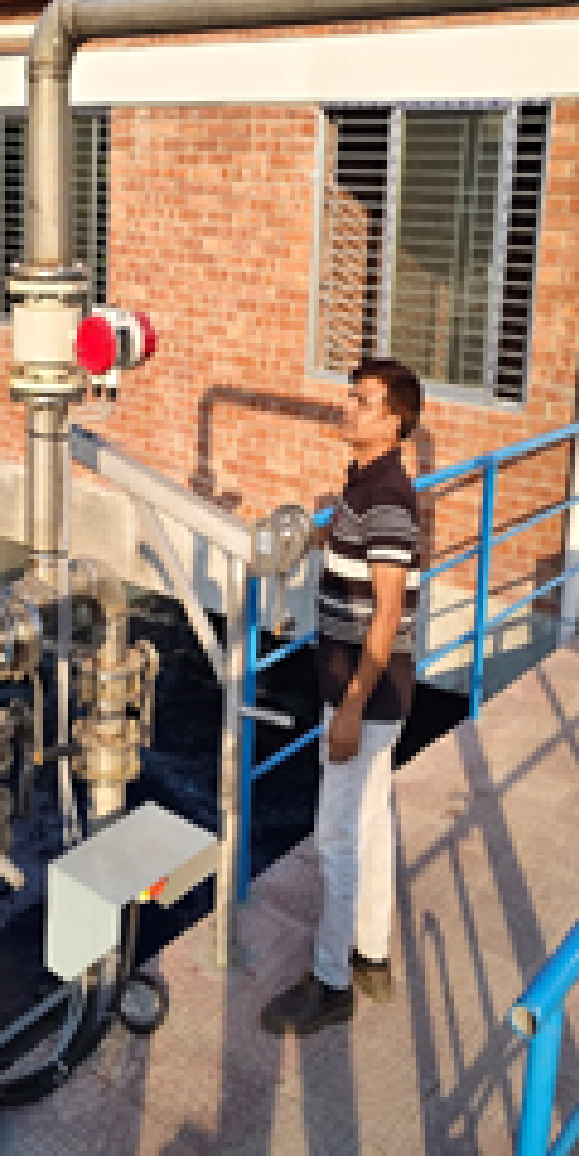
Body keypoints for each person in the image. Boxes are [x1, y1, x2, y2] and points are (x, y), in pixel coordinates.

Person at [261, 357, 422, 1037]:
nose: (347, 408)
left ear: (394, 422)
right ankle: (371, 954)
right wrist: (319, 534)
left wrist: (351, 707)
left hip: (366, 692)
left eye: (362, 402)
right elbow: (359, 543)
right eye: (350, 396)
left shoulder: (387, 498)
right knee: (372, 822)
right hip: (375, 691)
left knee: (336, 835)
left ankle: (331, 983)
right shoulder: (365, 484)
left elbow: (388, 612)